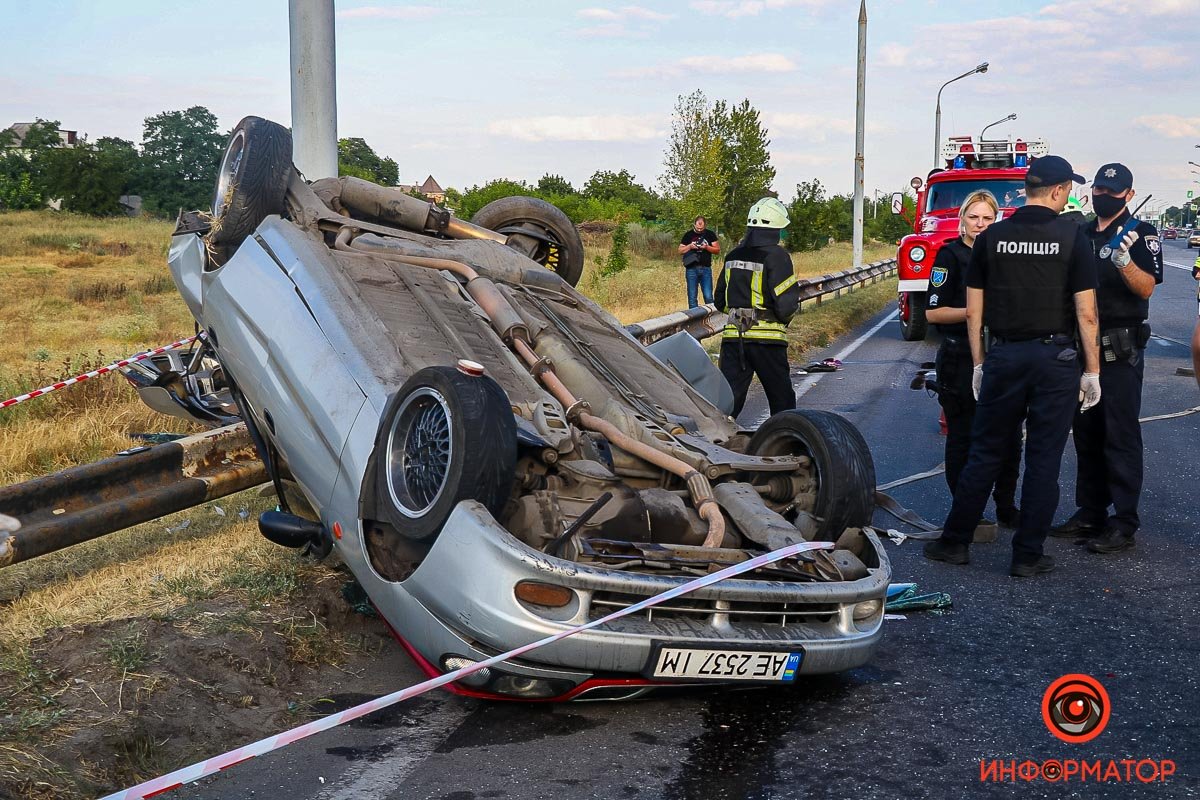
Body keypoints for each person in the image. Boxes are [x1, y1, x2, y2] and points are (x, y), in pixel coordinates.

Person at [922, 155, 1101, 578]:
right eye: (1069, 189)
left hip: (1003, 357)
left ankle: (954, 542)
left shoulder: (992, 238)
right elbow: (1086, 312)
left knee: (984, 451)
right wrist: (1092, 370)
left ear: (1028, 188)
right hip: (1054, 360)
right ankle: (1027, 555)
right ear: (1058, 191)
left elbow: (974, 313)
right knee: (1044, 458)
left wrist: (980, 363)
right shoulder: (1073, 238)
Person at [1052, 164, 1163, 554]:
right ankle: (1090, 512)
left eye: (1113, 190)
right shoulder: (1080, 232)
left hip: (1120, 349)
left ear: (1129, 195)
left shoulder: (1141, 234)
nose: (1104, 194)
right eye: (1099, 187)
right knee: (1086, 434)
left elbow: (1146, 288)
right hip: (1082, 347)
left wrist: (1124, 262)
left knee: (1120, 435)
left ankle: (1123, 521)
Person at [925, 190, 1021, 530]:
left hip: (1000, 356)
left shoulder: (1004, 257)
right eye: (974, 217)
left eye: (987, 219)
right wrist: (975, 312)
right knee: (963, 437)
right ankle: (966, 512)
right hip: (960, 356)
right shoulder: (949, 256)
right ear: (962, 219)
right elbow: (934, 312)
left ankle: (1007, 506)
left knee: (1009, 438)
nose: (980, 225)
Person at [715, 197, 803, 418]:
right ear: (775, 228)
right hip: (768, 341)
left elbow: (720, 301)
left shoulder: (732, 256)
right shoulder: (778, 256)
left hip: (735, 339)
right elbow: (786, 304)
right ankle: (786, 446)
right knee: (781, 400)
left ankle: (714, 445)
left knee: (726, 404)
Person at [679, 216, 720, 308]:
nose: (699, 229)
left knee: (708, 296)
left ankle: (711, 317)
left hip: (705, 268)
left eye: (701, 228)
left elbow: (717, 250)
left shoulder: (710, 234)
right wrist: (690, 246)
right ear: (694, 224)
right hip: (691, 269)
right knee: (692, 297)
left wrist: (706, 247)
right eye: (697, 227)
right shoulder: (688, 235)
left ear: (705, 225)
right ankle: (694, 319)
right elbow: (680, 251)